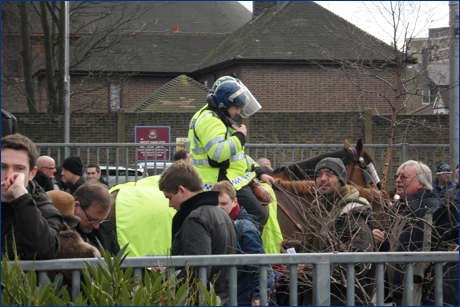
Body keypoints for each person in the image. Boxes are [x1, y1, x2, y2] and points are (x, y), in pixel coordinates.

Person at [188, 76, 273, 226]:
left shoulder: (220, 117)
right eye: (236, 107)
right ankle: (243, 248)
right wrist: (240, 137)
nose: (238, 111)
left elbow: (237, 155)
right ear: (224, 104)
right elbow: (218, 153)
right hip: (216, 180)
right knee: (258, 214)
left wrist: (259, 171)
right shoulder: (210, 120)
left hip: (228, 175)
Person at [299, 157, 376, 306]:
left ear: (341, 179)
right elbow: (320, 247)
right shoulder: (318, 210)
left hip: (343, 298)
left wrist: (309, 270)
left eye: (329, 174)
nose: (323, 179)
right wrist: (292, 247)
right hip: (318, 296)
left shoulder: (353, 212)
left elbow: (359, 263)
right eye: (319, 174)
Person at [158, 161, 237, 305]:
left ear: (182, 190)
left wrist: (166, 280)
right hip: (223, 298)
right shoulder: (222, 214)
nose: (170, 204)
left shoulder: (195, 219)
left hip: (203, 300)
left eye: (169, 197)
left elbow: (197, 269)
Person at [372, 160, 441, 306]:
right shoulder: (395, 209)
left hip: (422, 292)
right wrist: (377, 237)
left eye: (404, 177)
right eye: (397, 176)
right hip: (393, 290)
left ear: (421, 183)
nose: (398, 180)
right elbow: (390, 244)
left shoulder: (433, 209)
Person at [212, 181, 275, 306]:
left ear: (235, 202)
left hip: (244, 299)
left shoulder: (245, 228)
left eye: (224, 204)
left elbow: (261, 265)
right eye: (215, 204)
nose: (219, 208)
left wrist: (259, 295)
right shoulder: (217, 225)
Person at [1, 133, 63, 260]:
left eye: (19, 168)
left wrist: (21, 197)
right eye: (3, 167)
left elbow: (46, 250)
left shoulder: (44, 207)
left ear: (32, 173)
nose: (9, 175)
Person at [73, 181, 120, 255]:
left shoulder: (107, 230)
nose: (96, 226)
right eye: (92, 220)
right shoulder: (62, 233)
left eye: (102, 220)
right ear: (76, 206)